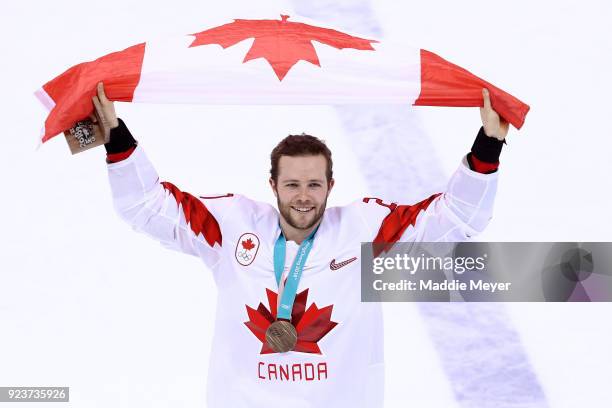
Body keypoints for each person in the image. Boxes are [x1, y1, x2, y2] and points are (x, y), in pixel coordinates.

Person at [95, 81, 508, 407]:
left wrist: (489, 141)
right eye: (292, 184)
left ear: (331, 185)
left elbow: (456, 219)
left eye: (314, 184)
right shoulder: (232, 227)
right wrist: (114, 132)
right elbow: (147, 207)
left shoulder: (364, 230)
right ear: (272, 185)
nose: (304, 196)